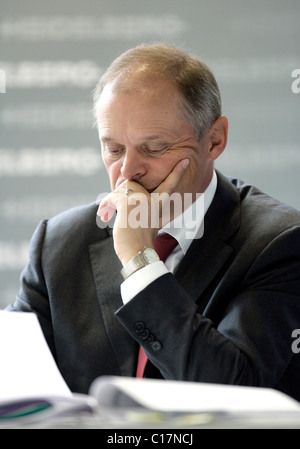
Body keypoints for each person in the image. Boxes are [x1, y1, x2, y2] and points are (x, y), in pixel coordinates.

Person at [7, 43, 300, 402]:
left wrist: (139, 261)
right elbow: (12, 380)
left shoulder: (281, 243)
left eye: (155, 148)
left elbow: (233, 394)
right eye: (113, 149)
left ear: (215, 140)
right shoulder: (58, 243)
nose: (127, 171)